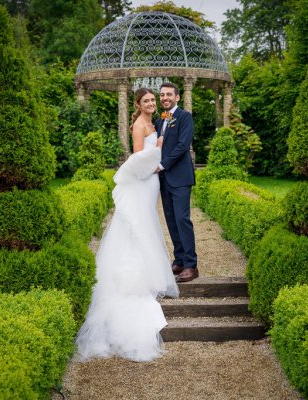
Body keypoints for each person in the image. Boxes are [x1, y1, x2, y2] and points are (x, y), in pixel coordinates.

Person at [75, 88, 179, 362]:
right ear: (138, 104)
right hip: (143, 180)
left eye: (153, 100)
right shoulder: (138, 125)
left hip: (152, 182)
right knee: (137, 225)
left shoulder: (157, 121)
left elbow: (167, 125)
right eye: (146, 101)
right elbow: (136, 160)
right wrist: (157, 151)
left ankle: (147, 265)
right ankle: (135, 272)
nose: (151, 104)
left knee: (147, 224)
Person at [155, 82, 198, 283]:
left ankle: (191, 265)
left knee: (182, 219)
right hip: (164, 180)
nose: (164, 98)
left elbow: (182, 146)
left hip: (180, 177)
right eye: (162, 95)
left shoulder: (184, 117)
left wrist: (162, 165)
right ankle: (179, 259)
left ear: (177, 97)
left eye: (169, 94)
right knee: (171, 221)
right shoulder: (161, 119)